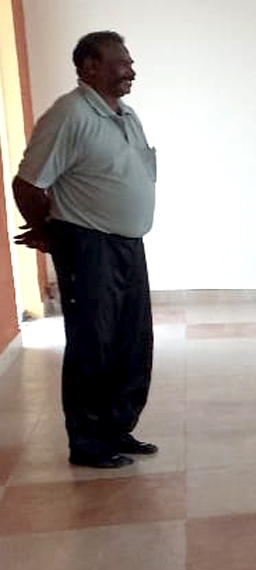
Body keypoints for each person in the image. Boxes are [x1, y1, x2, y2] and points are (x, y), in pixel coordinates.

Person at [11, 31, 157, 468]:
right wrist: (49, 230)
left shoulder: (126, 115)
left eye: (130, 62)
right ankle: (88, 443)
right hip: (89, 245)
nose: (131, 69)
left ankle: (116, 428)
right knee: (93, 344)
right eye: (121, 62)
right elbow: (28, 183)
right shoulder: (69, 114)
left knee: (133, 340)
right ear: (89, 67)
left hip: (128, 243)